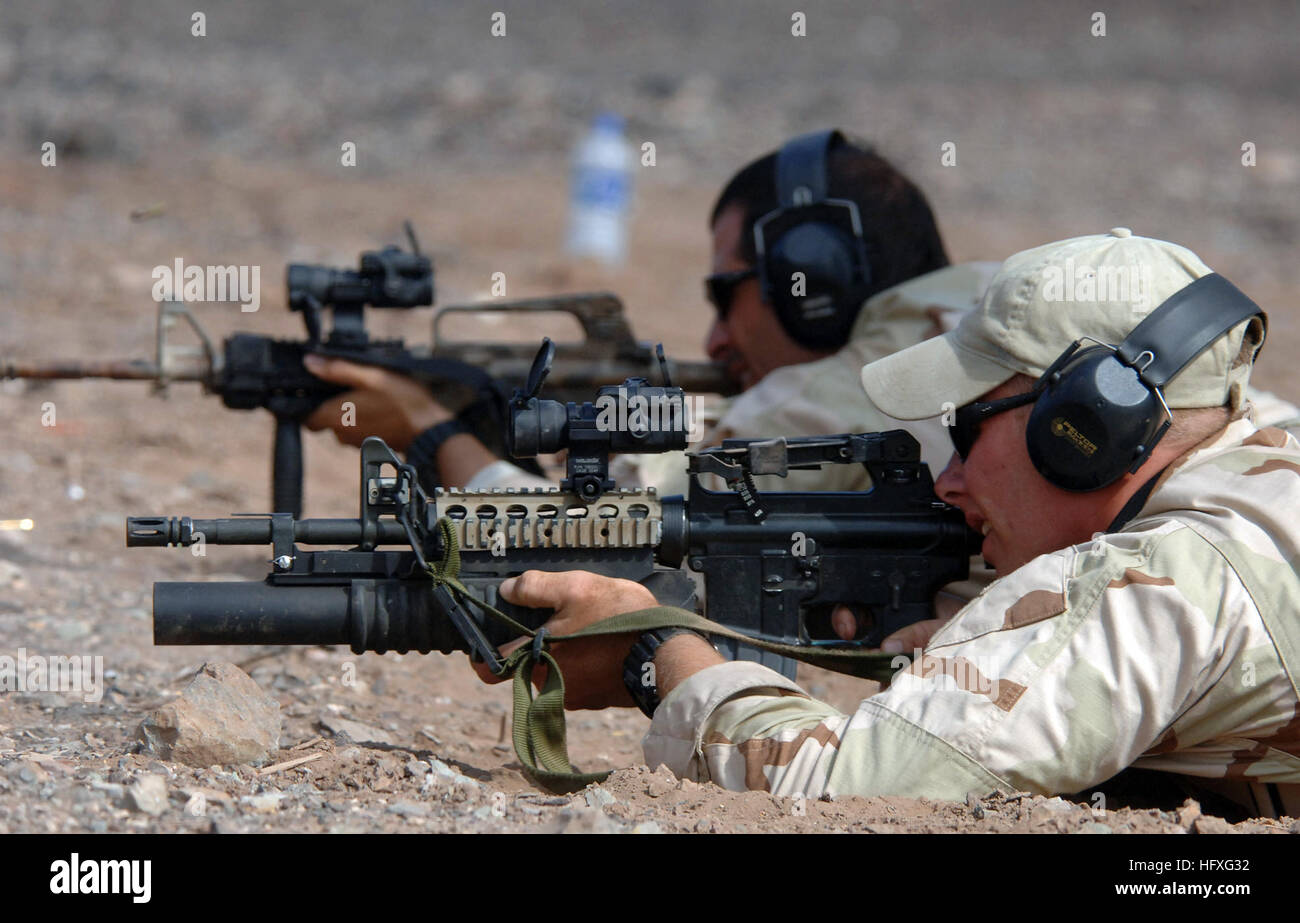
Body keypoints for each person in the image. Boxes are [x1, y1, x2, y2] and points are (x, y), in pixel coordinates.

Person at [478, 229, 1300, 818]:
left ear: (1083, 429)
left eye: (968, 427)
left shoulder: (1175, 579)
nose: (949, 479)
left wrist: (654, 651)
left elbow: (834, 786)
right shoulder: (1259, 466)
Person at [303, 129, 1000, 495]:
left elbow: (589, 538)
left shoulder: (860, 393)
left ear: (813, 278)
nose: (715, 339)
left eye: (726, 293)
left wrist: (428, 429)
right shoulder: (1005, 303)